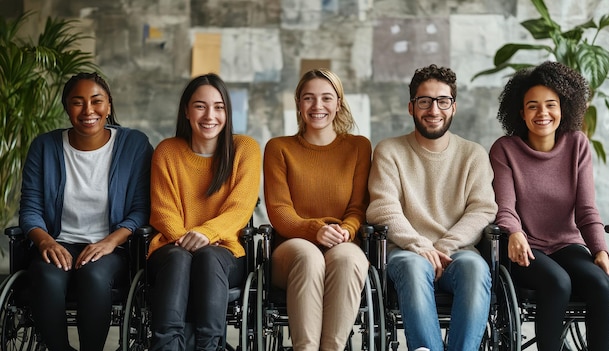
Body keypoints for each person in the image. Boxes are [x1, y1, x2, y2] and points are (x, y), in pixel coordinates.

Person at [366, 64, 497, 351]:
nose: (434, 110)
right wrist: (420, 245)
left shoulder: (472, 154)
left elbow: (483, 210)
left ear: (454, 107)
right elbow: (382, 208)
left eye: (443, 101)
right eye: (424, 101)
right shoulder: (390, 151)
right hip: (406, 252)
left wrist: (444, 247)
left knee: (476, 269)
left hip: (458, 253)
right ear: (411, 107)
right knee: (413, 268)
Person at [19, 72, 153, 351]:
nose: (88, 110)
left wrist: (109, 242)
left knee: (94, 276)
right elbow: (30, 209)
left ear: (109, 105)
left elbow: (141, 210)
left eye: (96, 101)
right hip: (57, 241)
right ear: (66, 107)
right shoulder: (44, 147)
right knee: (46, 276)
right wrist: (45, 241)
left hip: (111, 246)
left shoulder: (133, 145)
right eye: (78, 102)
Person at [490, 60, 609, 350]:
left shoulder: (577, 144)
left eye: (551, 104)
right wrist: (515, 232)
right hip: (525, 248)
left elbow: (586, 210)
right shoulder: (505, 149)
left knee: (601, 284)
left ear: (563, 109)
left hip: (566, 245)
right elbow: (505, 207)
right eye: (532, 106)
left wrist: (600, 252)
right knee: (558, 282)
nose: (542, 113)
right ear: (521, 113)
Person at [147, 73, 261, 351]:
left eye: (219, 107)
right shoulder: (167, 151)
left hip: (226, 253)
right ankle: (167, 346)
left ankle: (210, 346)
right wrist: (187, 239)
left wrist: (206, 234)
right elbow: (163, 211)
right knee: (178, 259)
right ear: (186, 111)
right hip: (172, 249)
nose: (210, 115)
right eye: (200, 106)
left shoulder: (244, 149)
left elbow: (240, 208)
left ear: (227, 112)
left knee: (208, 257)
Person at [263, 68, 371, 351]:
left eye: (326, 98)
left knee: (348, 260)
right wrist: (315, 230)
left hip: (343, 242)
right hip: (292, 246)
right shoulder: (279, 148)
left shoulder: (359, 147)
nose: (317, 106)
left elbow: (358, 207)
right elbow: (279, 210)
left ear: (338, 103)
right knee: (309, 257)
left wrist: (346, 231)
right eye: (309, 98)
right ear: (298, 104)